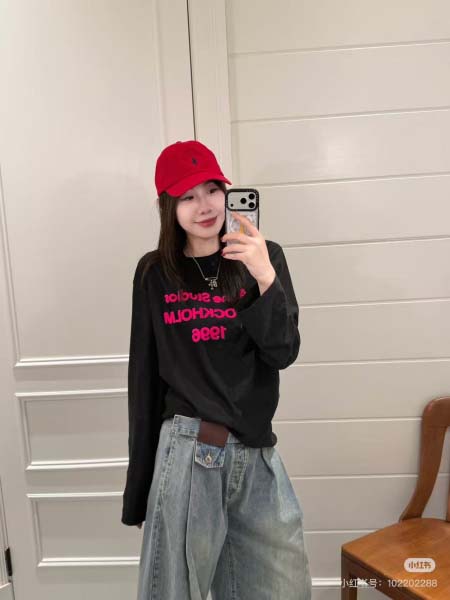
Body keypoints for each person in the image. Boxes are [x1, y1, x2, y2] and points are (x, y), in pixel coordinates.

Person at [121, 139, 312, 600]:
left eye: (212, 189)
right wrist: (138, 491)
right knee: (174, 591)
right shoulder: (155, 273)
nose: (204, 206)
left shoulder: (265, 257)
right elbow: (143, 380)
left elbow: (283, 352)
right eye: (187, 196)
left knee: (282, 588)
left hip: (256, 452)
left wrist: (263, 276)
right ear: (168, 206)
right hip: (188, 452)